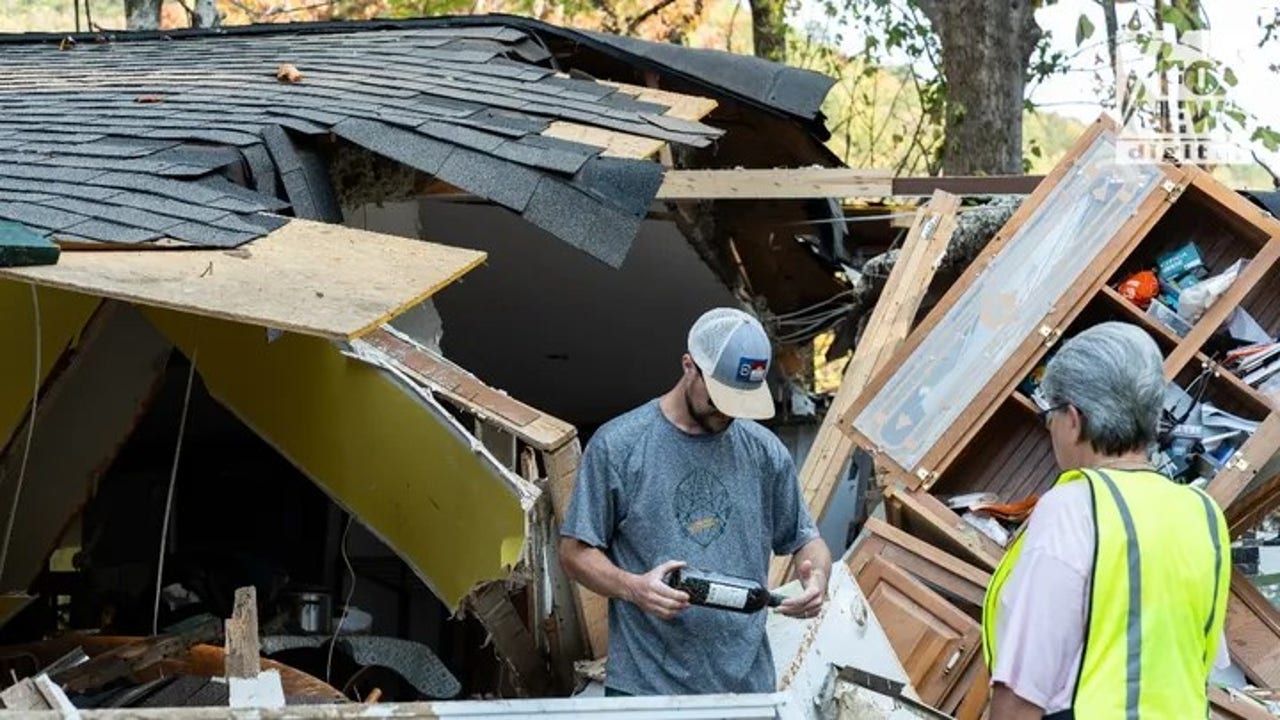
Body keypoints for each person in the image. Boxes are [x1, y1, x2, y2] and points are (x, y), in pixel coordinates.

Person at [559, 306, 833, 697]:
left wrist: (817, 579)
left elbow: (808, 540)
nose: (728, 411)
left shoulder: (765, 453)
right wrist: (633, 587)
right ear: (689, 365)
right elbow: (574, 552)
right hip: (646, 693)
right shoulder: (619, 446)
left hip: (746, 692)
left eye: (740, 400)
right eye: (719, 396)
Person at [983, 322, 1231, 719]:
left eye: (1050, 415)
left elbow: (1023, 687)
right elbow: (1198, 661)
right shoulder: (1203, 513)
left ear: (1074, 419)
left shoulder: (1074, 507)